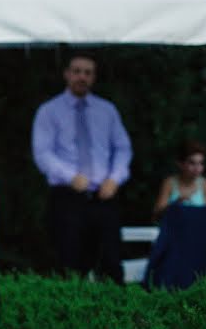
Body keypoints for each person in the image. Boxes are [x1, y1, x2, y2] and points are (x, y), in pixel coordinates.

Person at [31, 55, 132, 284]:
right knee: (68, 263)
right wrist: (70, 176)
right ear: (67, 74)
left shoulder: (107, 111)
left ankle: (114, 314)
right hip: (67, 197)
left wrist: (115, 178)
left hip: (104, 197)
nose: (82, 77)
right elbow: (43, 153)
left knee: (111, 263)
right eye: (77, 71)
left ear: (94, 77)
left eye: (88, 73)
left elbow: (123, 148)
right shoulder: (49, 111)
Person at [152, 140, 206, 222]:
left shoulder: (205, 184)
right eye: (192, 163)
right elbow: (156, 216)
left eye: (201, 163)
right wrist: (175, 205)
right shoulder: (169, 183)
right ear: (180, 164)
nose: (197, 168)